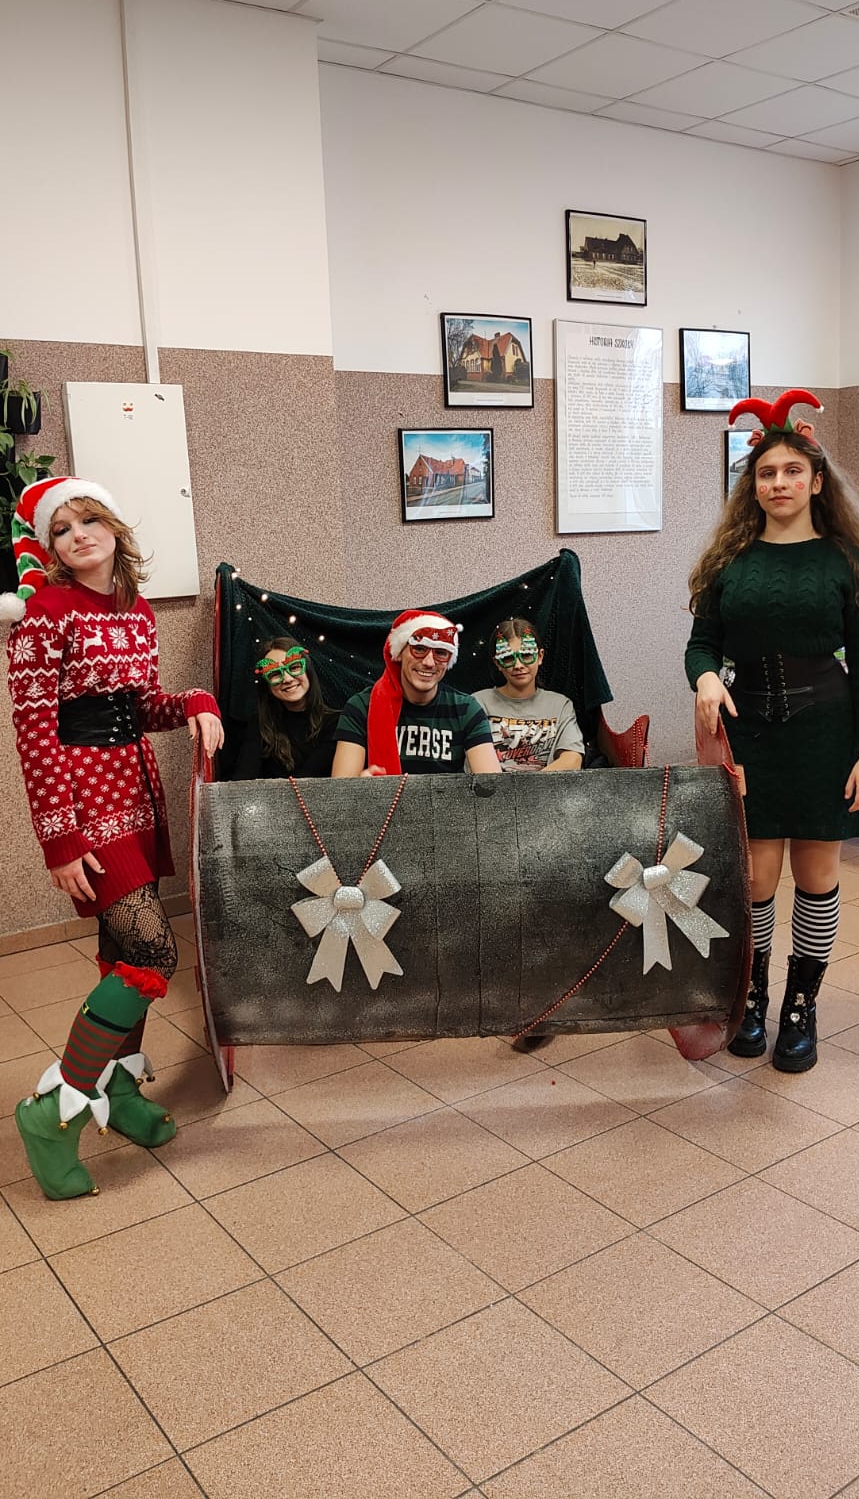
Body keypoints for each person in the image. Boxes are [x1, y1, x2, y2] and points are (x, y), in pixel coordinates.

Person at [1, 476, 223, 1199]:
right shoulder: (43, 614)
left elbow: (143, 707)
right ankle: (55, 1113)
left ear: (113, 526)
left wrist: (194, 700)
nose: (77, 536)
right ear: (50, 549)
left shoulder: (135, 609)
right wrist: (59, 841)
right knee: (154, 951)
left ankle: (119, 1089)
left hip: (136, 793)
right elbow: (35, 733)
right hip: (84, 804)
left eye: (87, 520)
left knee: (124, 949)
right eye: (60, 530)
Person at [685, 391, 859, 1073]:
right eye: (767, 473)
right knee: (757, 878)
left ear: (816, 481)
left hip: (827, 731)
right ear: (754, 485)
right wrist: (705, 677)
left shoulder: (847, 562)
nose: (779, 483)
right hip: (751, 734)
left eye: (792, 472)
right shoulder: (729, 563)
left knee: (817, 875)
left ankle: (801, 1010)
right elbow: (701, 644)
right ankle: (752, 1000)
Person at [332, 609, 501, 777]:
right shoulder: (362, 707)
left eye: (440, 652)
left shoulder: (466, 709)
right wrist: (361, 786)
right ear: (399, 653)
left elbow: (492, 784)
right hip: (380, 796)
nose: (429, 662)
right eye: (419, 649)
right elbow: (341, 788)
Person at [473, 618, 584, 772]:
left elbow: (572, 759)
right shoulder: (477, 704)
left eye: (526, 655)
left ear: (540, 656)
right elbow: (475, 764)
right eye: (508, 658)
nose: (518, 665)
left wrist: (532, 786)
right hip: (492, 787)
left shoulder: (560, 705)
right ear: (498, 663)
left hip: (548, 787)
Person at [228, 637, 337, 779]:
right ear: (267, 686)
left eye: (294, 667)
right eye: (274, 674)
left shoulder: (336, 723)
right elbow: (243, 779)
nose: (287, 679)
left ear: (308, 670)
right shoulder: (260, 726)